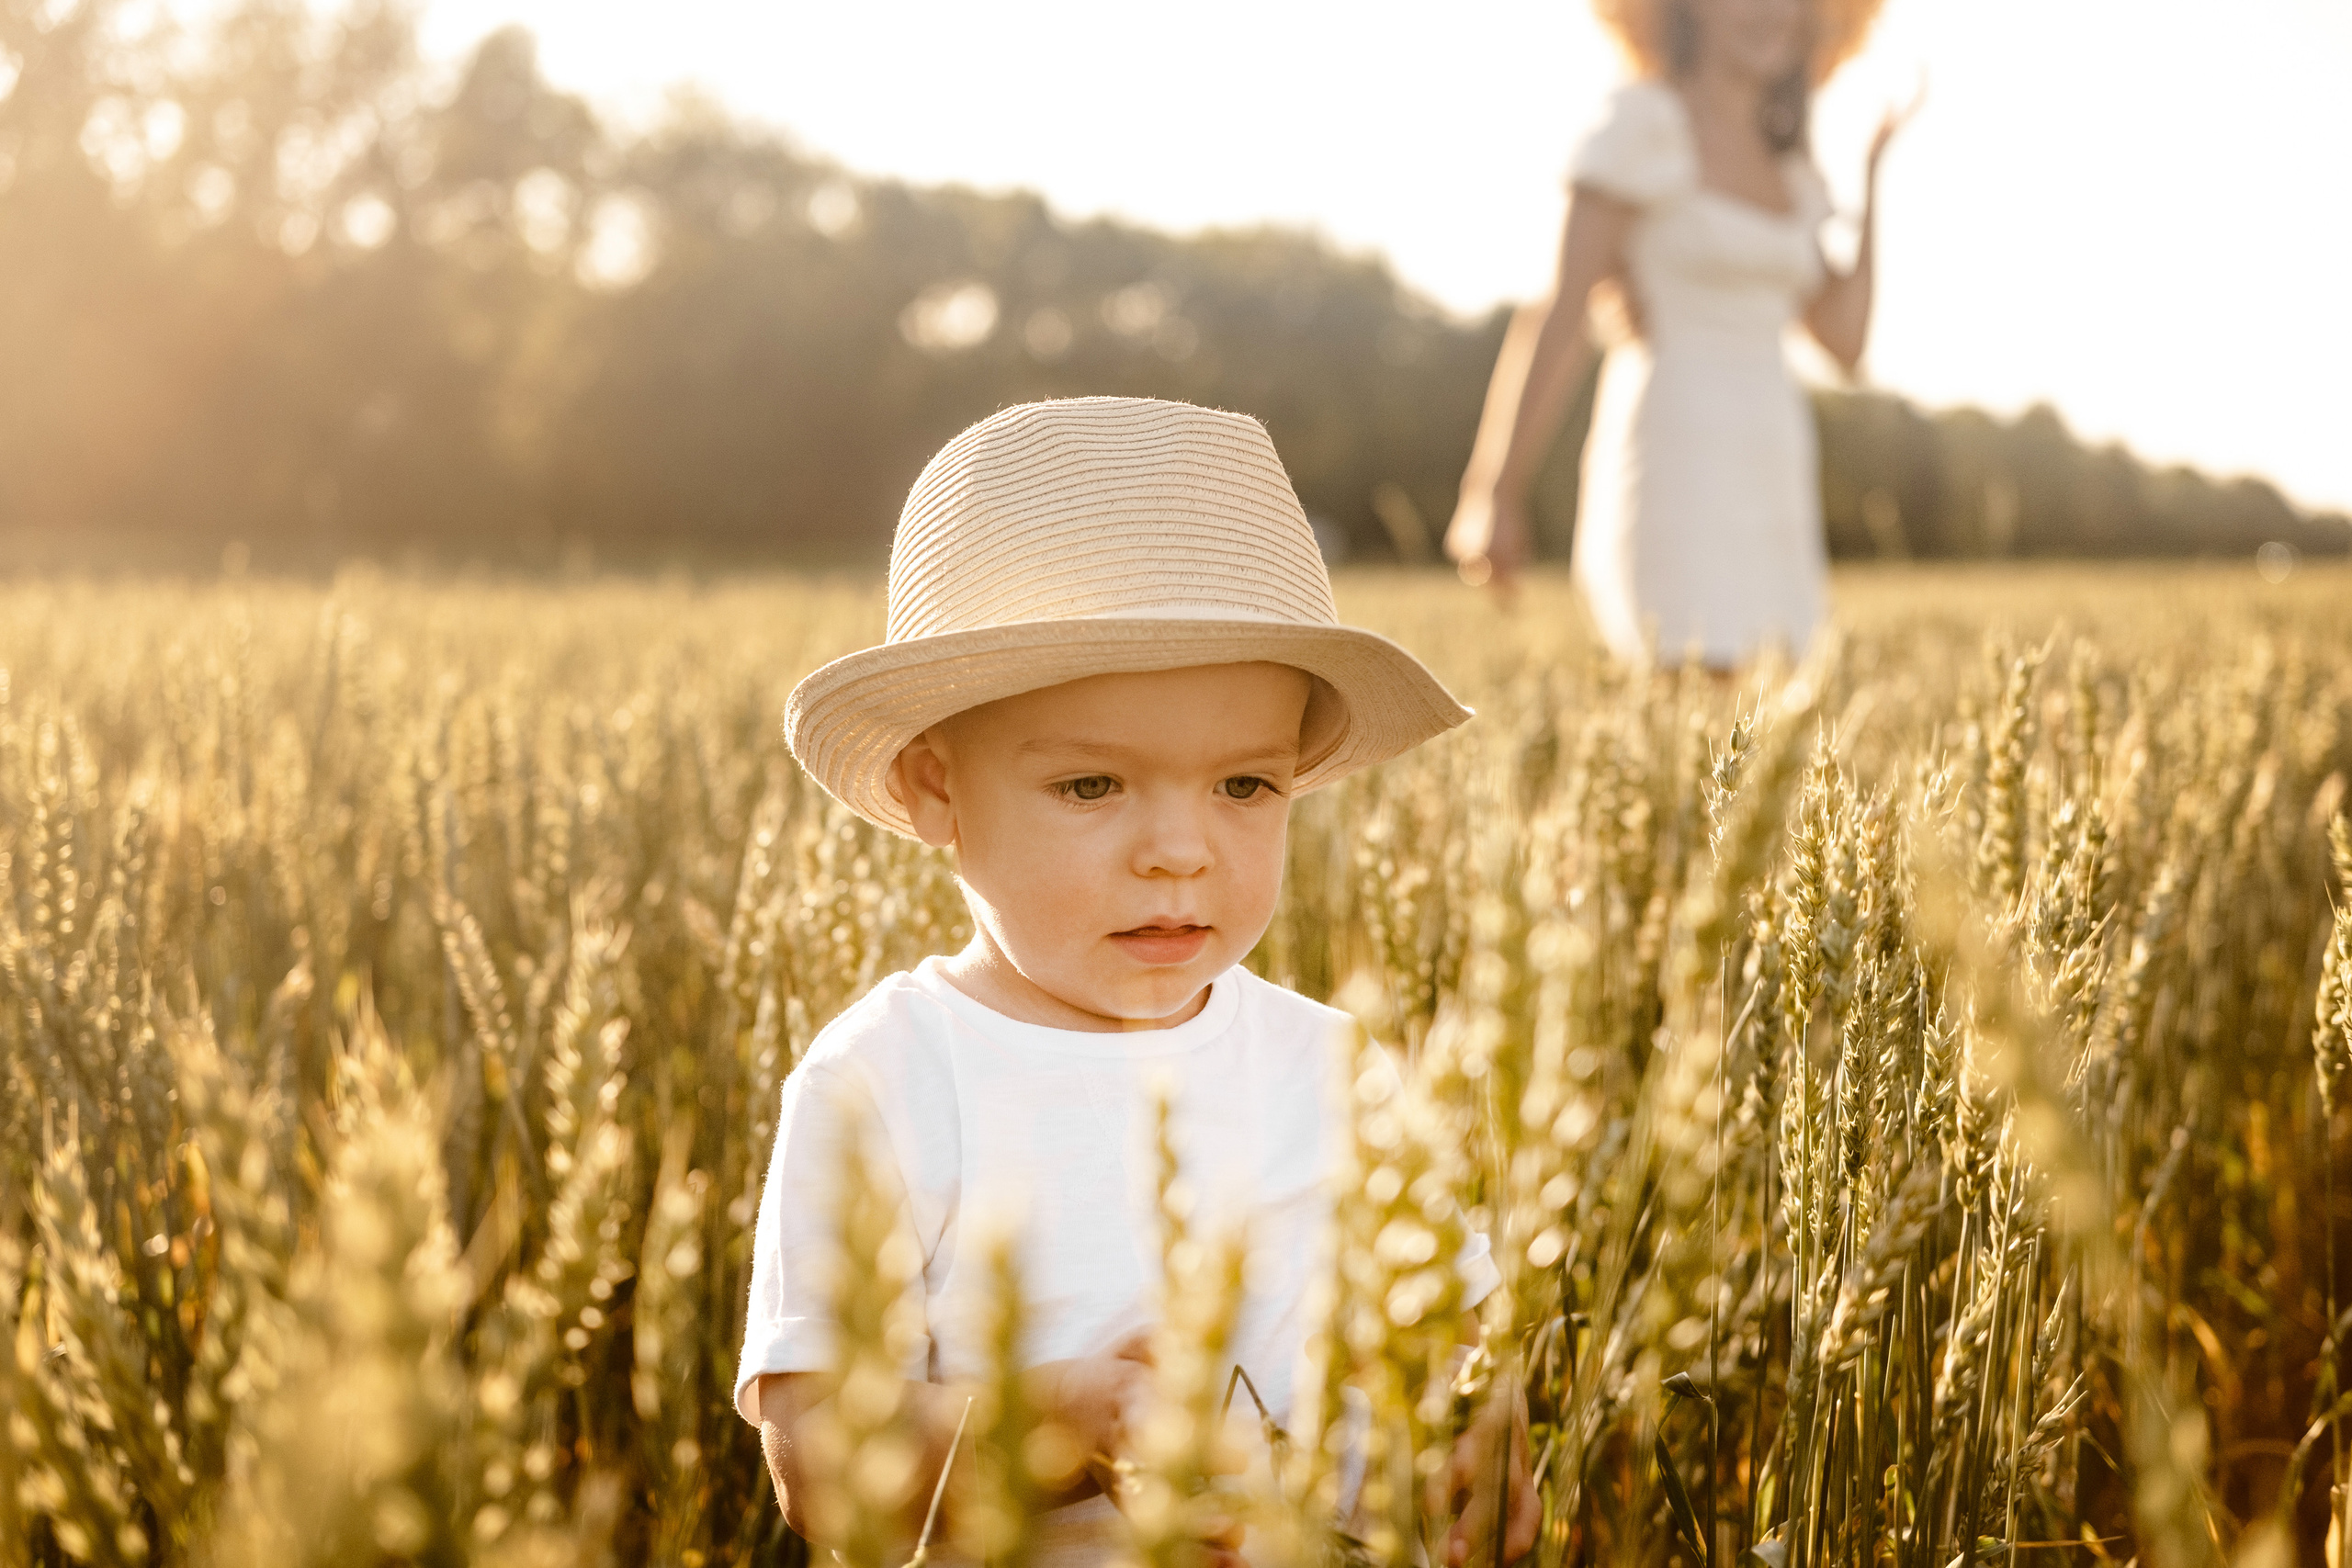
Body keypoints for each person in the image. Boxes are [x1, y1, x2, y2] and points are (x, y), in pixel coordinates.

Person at [737, 397, 1536, 1567]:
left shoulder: (1333, 1062)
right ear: (933, 790)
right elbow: (817, 1468)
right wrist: (1057, 1427)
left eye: (1246, 788)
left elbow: (1462, 1321)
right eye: (1093, 787)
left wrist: (1490, 1424)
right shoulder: (888, 1080)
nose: (1180, 849)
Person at [1444, 0, 1908, 669]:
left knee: (1774, 706)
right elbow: (1561, 313)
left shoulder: (1791, 167)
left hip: (1773, 466)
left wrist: (1873, 173)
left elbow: (1845, 340)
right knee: (1685, 680)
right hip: (1674, 456)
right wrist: (1494, 491)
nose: (1773, 11)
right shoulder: (1643, 124)